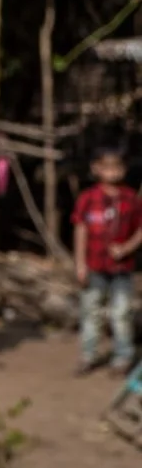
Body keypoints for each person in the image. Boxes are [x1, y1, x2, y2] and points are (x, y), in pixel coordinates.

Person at [74, 143, 141, 375]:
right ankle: (88, 355)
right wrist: (80, 265)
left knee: (121, 313)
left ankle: (123, 358)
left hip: (122, 268)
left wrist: (126, 248)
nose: (112, 171)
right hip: (94, 266)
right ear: (96, 169)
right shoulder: (87, 198)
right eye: (107, 167)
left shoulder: (132, 199)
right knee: (91, 311)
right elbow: (81, 230)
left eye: (117, 166)